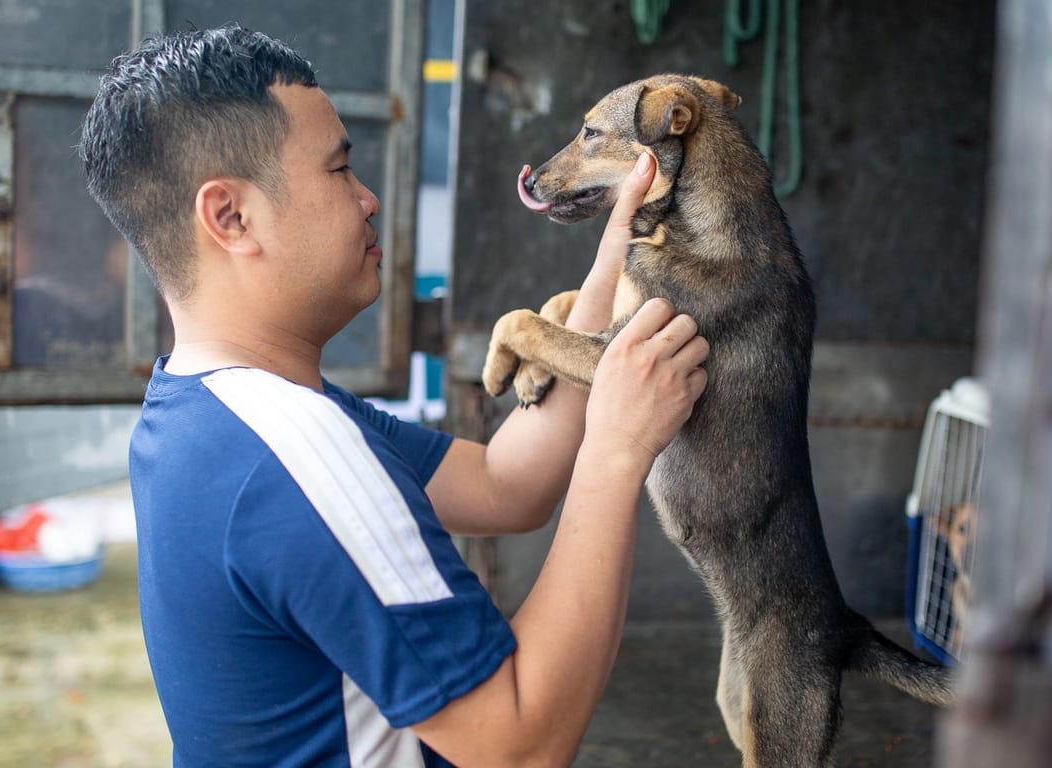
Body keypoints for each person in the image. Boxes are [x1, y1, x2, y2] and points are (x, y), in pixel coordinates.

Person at [79, 24, 708, 768]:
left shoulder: (206, 412)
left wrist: (616, 254)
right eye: (339, 169)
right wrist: (618, 449)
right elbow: (519, 746)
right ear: (231, 217)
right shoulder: (297, 456)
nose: (369, 198)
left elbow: (510, 487)